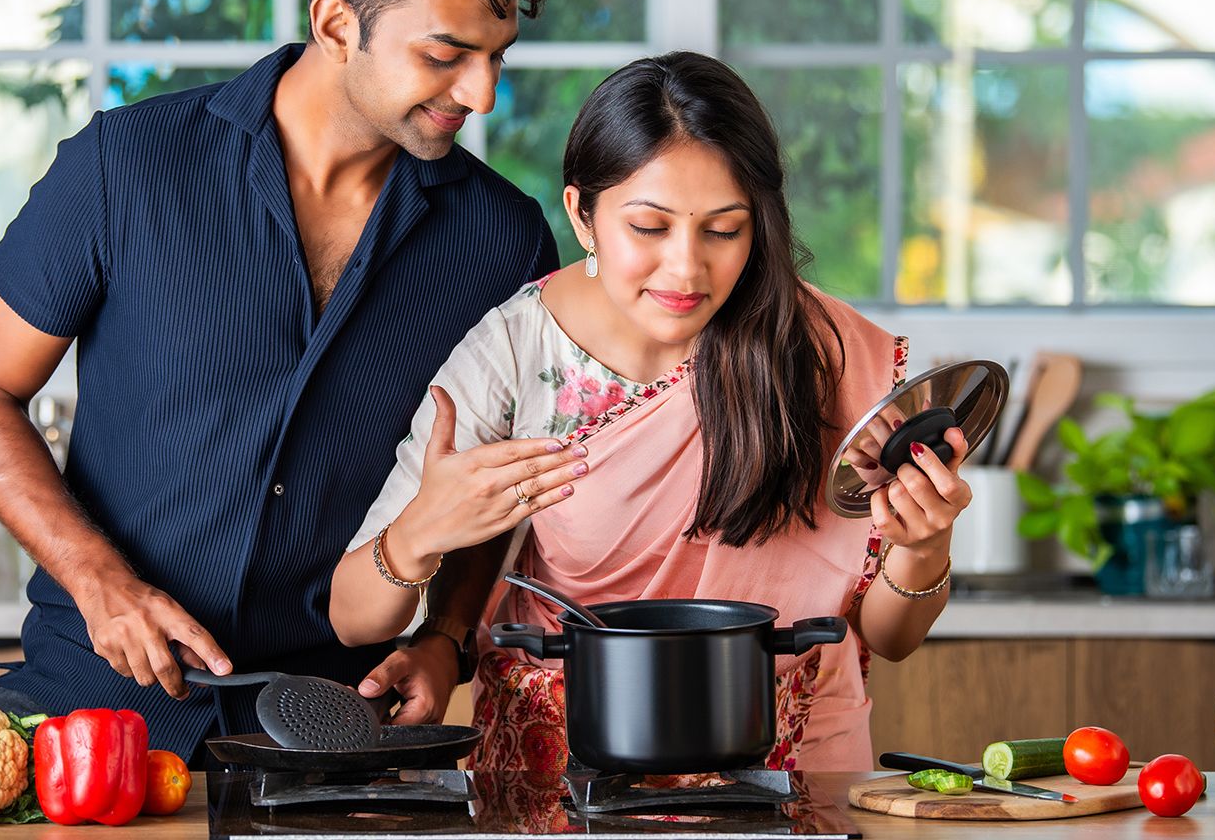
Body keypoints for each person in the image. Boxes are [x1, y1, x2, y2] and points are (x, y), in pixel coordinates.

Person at [0, 0, 572, 759]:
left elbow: (488, 476)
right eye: (447, 55)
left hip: (334, 734)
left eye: (496, 57)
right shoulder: (127, 166)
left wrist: (446, 636)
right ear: (337, 22)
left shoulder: (502, 241)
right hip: (94, 716)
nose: (483, 93)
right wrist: (98, 579)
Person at [329, 51, 970, 770]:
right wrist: (418, 533)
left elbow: (892, 636)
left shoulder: (826, 355)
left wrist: (923, 544)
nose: (686, 269)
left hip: (781, 772)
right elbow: (353, 616)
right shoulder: (516, 350)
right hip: (566, 775)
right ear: (583, 215)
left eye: (724, 230)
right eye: (649, 227)